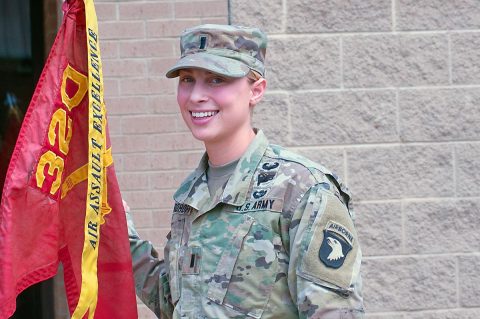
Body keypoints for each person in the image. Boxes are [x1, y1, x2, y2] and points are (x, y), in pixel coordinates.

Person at [127, 24, 365, 318]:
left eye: (217, 79)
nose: (196, 96)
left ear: (256, 90)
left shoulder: (302, 189)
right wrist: (119, 233)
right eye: (188, 79)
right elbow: (178, 306)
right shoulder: (192, 195)